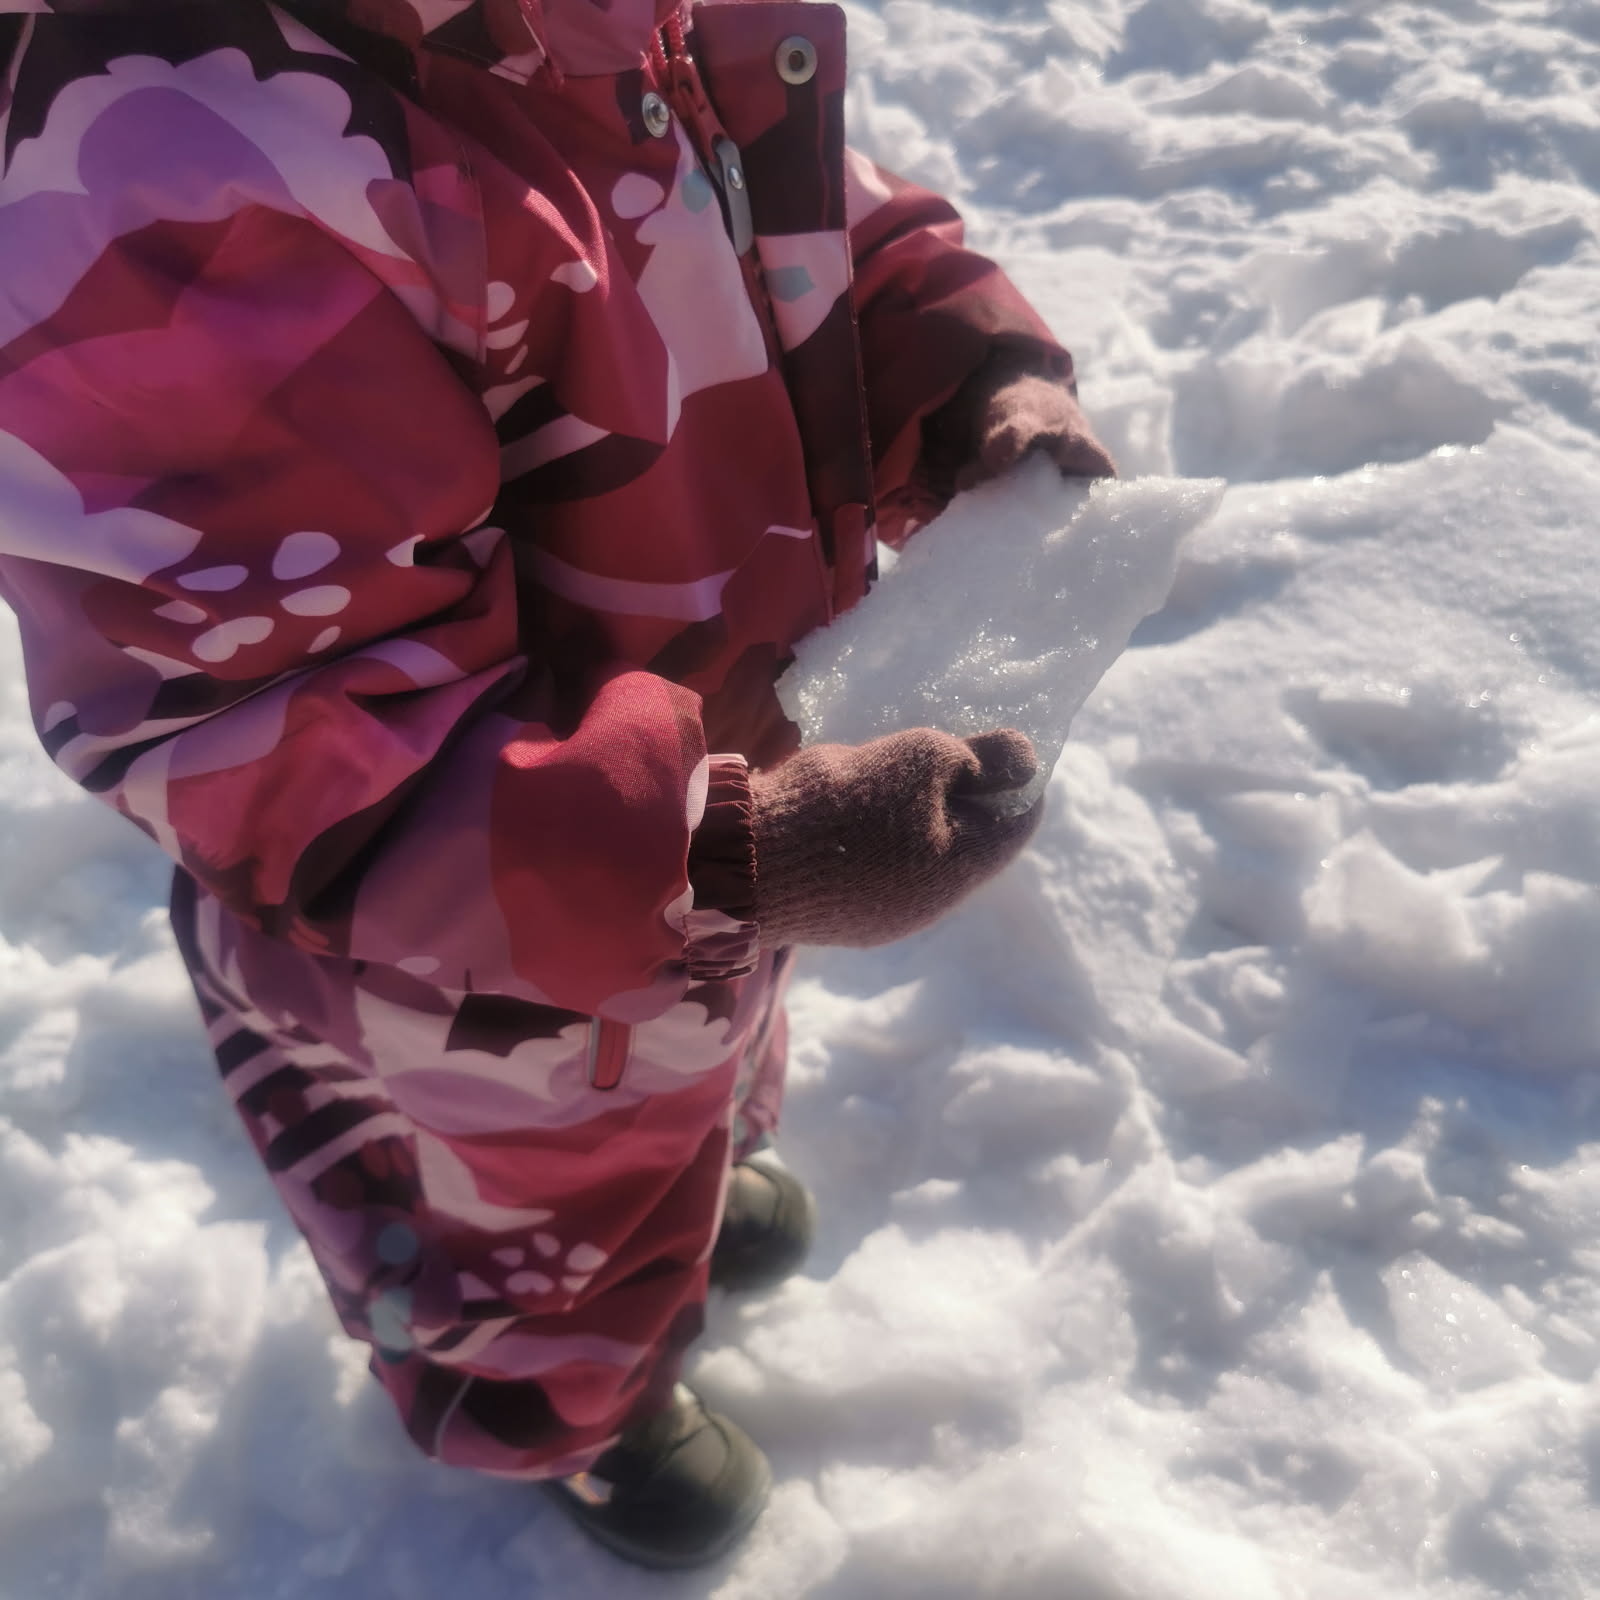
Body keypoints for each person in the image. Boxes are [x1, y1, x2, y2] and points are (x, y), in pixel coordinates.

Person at [0, 0, 1114, 1570]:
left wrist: (959, 356)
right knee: (547, 1216)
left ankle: (684, 1188)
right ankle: (566, 1413)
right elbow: (278, 725)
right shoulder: (189, 161)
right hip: (473, 950)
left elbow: (782, 198)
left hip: (717, 785)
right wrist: (729, 854)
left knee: (700, 1062)